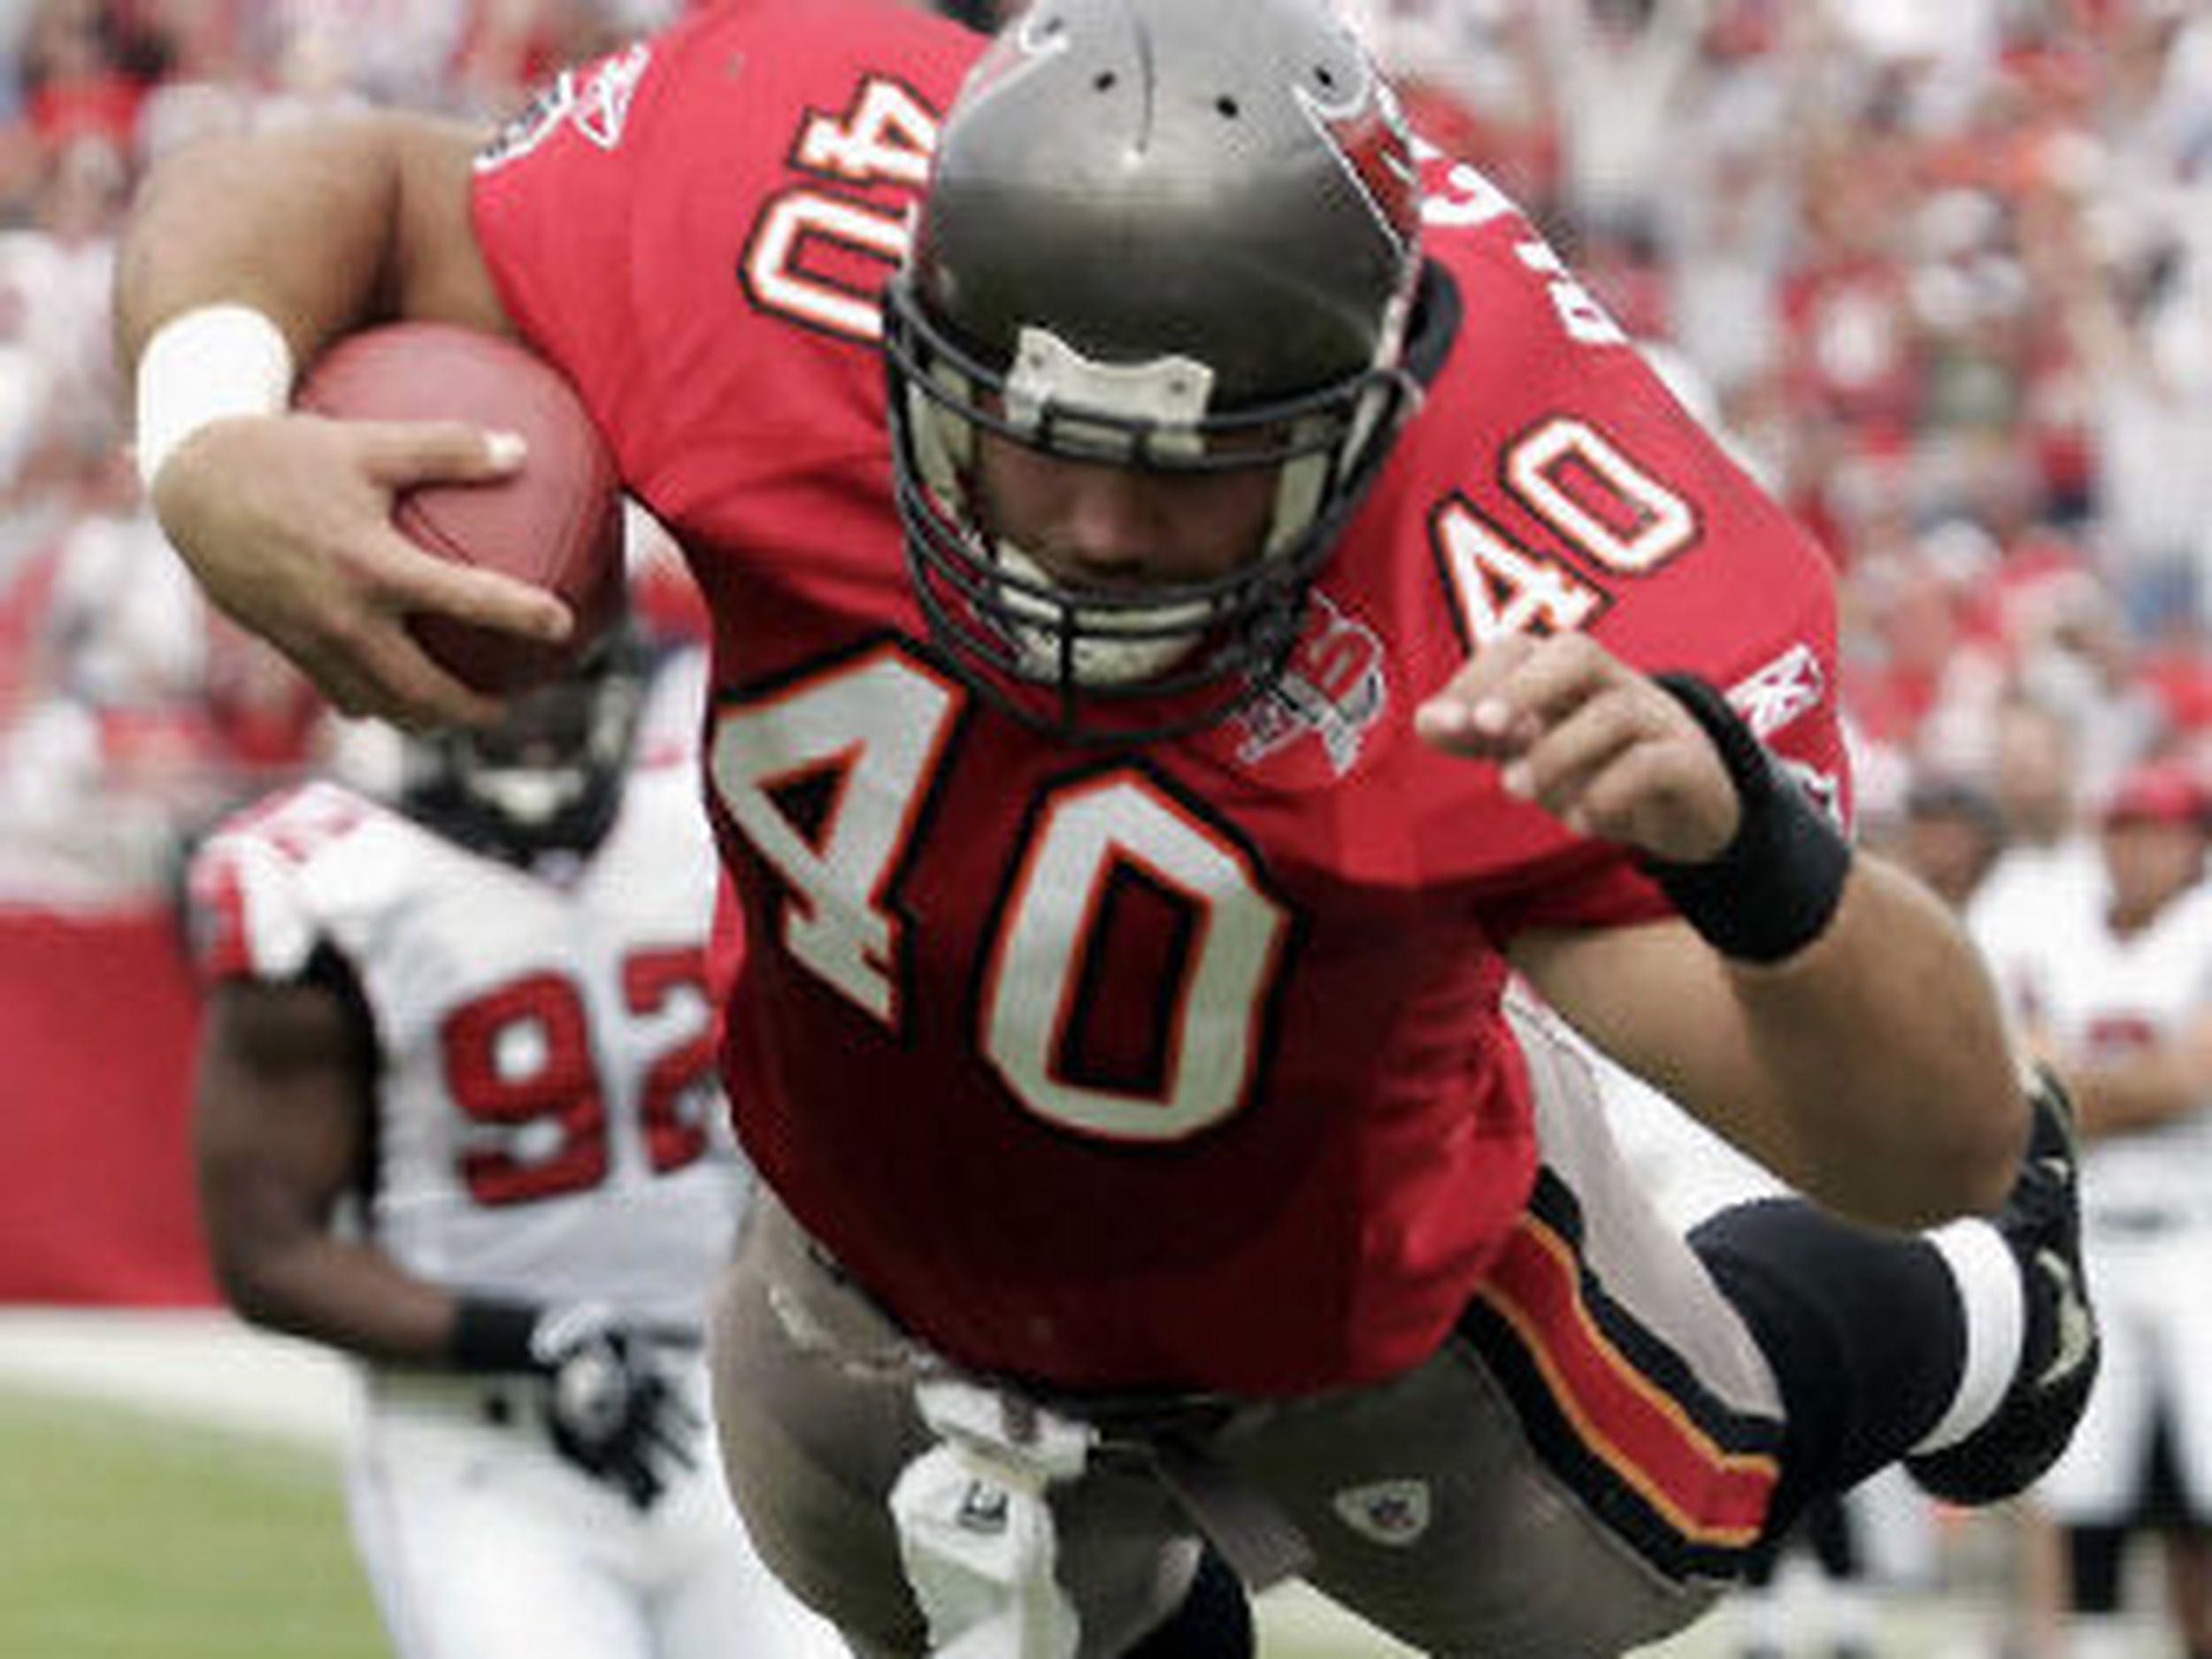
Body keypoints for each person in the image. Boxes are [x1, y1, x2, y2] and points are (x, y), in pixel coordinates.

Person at [119, 2, 2097, 1654]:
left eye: (1193, 479)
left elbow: (1911, 1138)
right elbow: (352, 182)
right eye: (1034, 437)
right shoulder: (767, 206)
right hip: (866, 1242)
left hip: (1354, 1295)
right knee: (945, 1593)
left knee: (1657, 1531)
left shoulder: (1524, 561)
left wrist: (1747, 858)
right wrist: (207, 434)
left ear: (1362, 411)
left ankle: (1996, 1317)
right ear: (911, 322)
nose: (1090, 534)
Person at [184, 626, 848, 1659]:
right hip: (481, 1451)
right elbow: (267, 1254)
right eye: (498, 683)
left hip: (730, 1404)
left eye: (566, 682)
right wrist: (529, 1338)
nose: (536, 718)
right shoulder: (332, 887)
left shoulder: (708, 824)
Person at [1973, 758, 2212, 1659]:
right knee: (2083, 1480)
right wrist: (2122, 1089)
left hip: (2198, 1236)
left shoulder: (2200, 927)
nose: (2135, 850)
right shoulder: (2056, 932)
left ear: (2193, 845)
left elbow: (2189, 1078)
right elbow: (2024, 1078)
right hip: (2100, 1234)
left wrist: (2082, 1091)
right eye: (2120, 829)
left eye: (2155, 832)